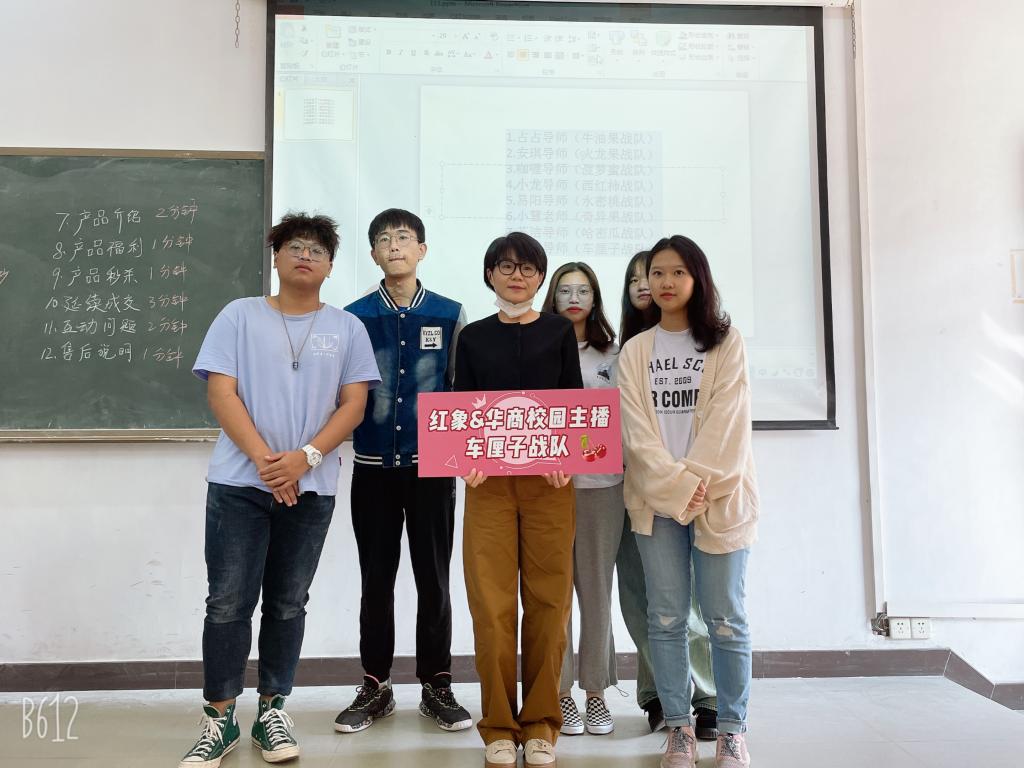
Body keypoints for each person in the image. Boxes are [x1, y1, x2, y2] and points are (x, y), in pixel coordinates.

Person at [181, 213, 381, 767]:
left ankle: (272, 710)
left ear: (330, 266)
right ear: (276, 257)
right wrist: (269, 464)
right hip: (238, 486)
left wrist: (304, 460)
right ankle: (219, 717)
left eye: (317, 250)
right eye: (294, 246)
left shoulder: (347, 328)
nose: (305, 255)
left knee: (288, 603)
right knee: (228, 603)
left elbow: (354, 405)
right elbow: (222, 393)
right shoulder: (238, 315)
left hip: (311, 489)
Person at [617, 236, 758, 768]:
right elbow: (636, 434)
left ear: (698, 278)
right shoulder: (636, 350)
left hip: (719, 498)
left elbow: (729, 425)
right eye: (657, 273)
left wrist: (695, 484)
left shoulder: (726, 342)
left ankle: (732, 731)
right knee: (667, 617)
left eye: (678, 272)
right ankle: (678, 728)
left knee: (726, 618)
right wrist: (677, 488)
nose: (666, 282)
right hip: (656, 504)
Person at [334, 208, 471, 733]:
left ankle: (437, 684)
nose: (394, 246)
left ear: (422, 250)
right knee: (376, 579)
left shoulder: (449, 314)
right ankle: (375, 684)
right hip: (372, 468)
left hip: (433, 469)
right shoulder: (353, 318)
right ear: (373, 254)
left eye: (404, 238)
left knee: (434, 579)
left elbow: (461, 390)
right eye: (384, 239)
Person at [454, 232, 583, 768]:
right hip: (487, 485)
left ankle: (542, 724)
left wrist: (567, 455)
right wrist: (464, 458)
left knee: (550, 602)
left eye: (528, 268)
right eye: (505, 267)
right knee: (491, 604)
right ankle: (499, 726)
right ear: (490, 274)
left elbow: (573, 402)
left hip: (550, 485)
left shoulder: (558, 331)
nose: (516, 276)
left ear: (540, 277)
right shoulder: (473, 336)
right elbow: (461, 407)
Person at [616, 251, 720, 737]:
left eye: (657, 274)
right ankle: (658, 693)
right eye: (638, 278)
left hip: (693, 488)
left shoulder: (709, 344)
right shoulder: (623, 349)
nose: (650, 284)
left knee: (692, 602)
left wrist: (682, 482)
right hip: (630, 489)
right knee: (646, 600)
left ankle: (706, 696)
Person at [539, 262, 622, 737]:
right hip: (548, 487)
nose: (574, 298)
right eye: (565, 290)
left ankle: (595, 693)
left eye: (583, 291)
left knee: (595, 591)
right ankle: (561, 692)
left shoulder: (614, 352)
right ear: (552, 297)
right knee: (554, 594)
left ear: (595, 298)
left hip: (602, 487)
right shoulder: (537, 348)